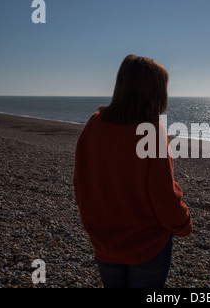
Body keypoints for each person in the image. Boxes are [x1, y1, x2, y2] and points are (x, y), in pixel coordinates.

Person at [73, 55, 193, 288]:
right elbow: (162, 194)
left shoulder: (94, 123)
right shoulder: (153, 131)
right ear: (155, 91)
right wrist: (183, 222)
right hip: (146, 244)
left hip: (104, 240)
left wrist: (95, 222)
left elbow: (81, 183)